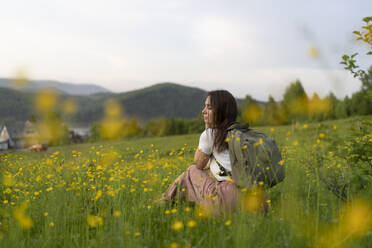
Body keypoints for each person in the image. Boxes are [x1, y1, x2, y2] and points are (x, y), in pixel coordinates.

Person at [162, 90, 241, 214]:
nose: (203, 111)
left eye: (209, 107)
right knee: (209, 175)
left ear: (220, 112)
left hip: (225, 199)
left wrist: (208, 128)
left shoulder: (211, 134)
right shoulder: (239, 133)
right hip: (252, 200)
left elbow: (199, 164)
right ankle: (167, 202)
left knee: (192, 170)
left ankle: (164, 203)